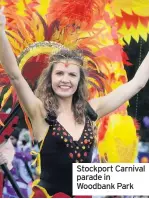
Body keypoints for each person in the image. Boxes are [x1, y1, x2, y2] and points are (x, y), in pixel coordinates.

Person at [0, 6, 149, 197]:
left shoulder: (92, 110)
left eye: (72, 74)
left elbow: (137, 83)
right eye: (59, 73)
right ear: (50, 78)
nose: (65, 79)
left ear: (79, 81)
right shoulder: (40, 112)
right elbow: (15, 76)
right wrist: (1, 29)